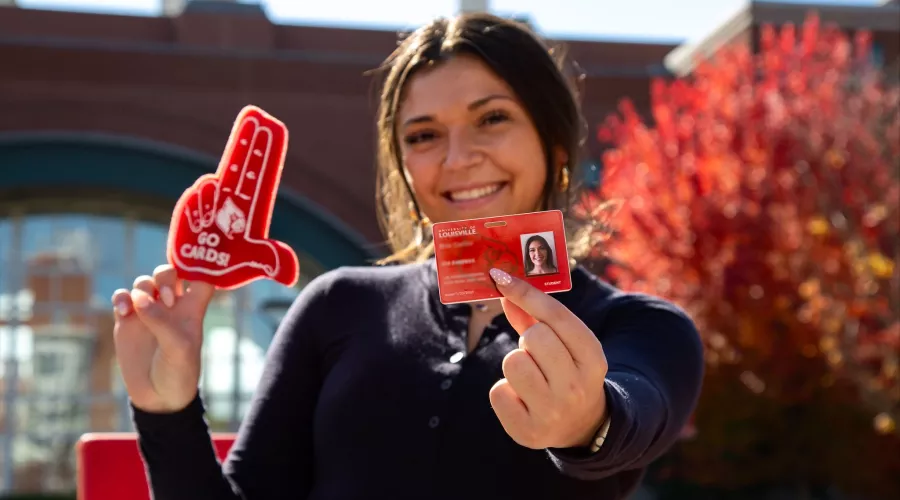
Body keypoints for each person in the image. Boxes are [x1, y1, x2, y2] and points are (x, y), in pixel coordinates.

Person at [110, 12, 704, 500]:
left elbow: (633, 415)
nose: (457, 157)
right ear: (402, 165)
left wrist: (588, 423)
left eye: (492, 119)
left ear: (554, 145)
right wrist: (167, 409)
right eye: (423, 135)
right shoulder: (335, 305)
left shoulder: (643, 328)